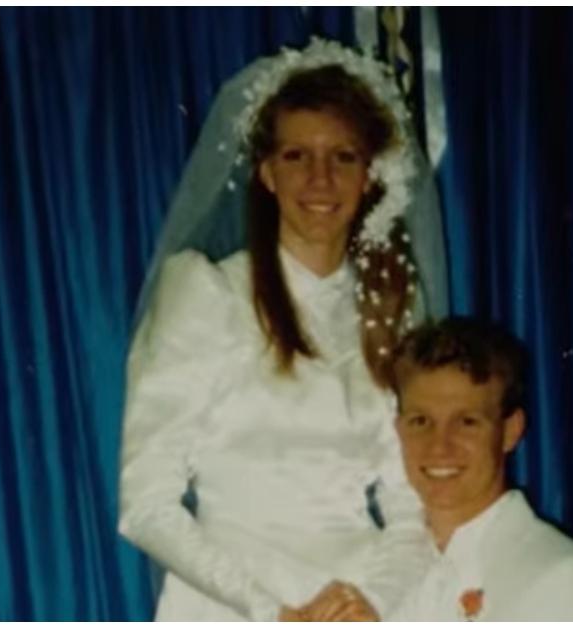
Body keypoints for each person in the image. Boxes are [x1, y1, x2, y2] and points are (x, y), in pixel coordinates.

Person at [116, 38, 449, 622]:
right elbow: (144, 505)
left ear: (370, 175)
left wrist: (371, 601)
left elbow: (412, 505)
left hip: (358, 603)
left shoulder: (392, 309)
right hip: (228, 602)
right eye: (298, 156)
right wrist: (270, 611)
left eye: (342, 157)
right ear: (267, 173)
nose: (319, 180)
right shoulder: (207, 293)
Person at [387, 318, 573, 621]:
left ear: (510, 431)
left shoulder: (563, 581)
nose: (439, 447)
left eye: (466, 422)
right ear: (398, 430)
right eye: (421, 421)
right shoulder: (376, 576)